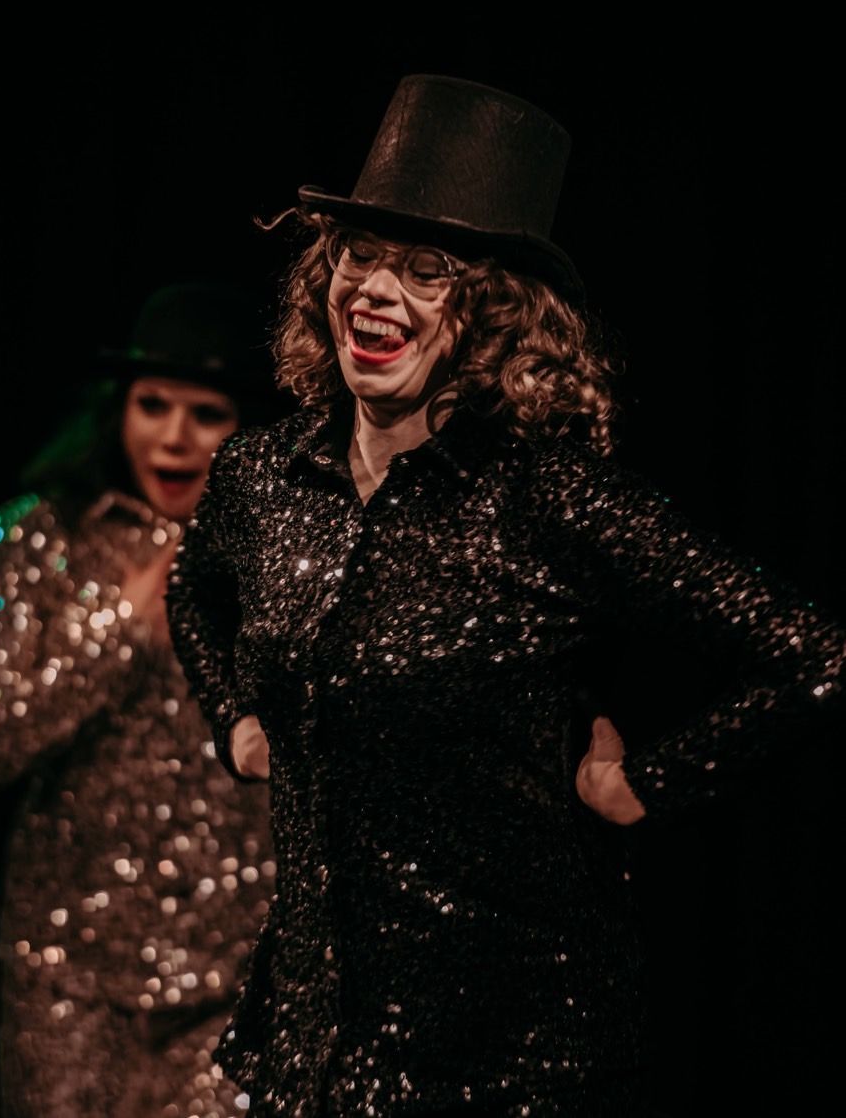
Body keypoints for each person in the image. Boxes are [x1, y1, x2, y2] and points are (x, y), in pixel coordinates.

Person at [167, 76, 845, 1118]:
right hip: (311, 1041)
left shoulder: (547, 497)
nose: (375, 291)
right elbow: (195, 586)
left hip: (509, 1053)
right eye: (359, 256)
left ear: (487, 311)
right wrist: (236, 720)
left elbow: (806, 652)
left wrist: (644, 784)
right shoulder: (262, 477)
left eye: (424, 270)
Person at [0, 283, 291, 1118]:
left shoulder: (281, 558)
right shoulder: (44, 536)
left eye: (205, 412)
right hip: (64, 975)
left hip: (232, 987)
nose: (172, 434)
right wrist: (114, 627)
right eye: (152, 404)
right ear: (114, 409)